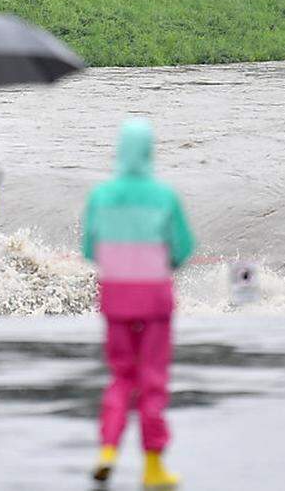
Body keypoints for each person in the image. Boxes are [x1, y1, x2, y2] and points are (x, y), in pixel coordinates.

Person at [82, 119, 195, 489]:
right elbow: (182, 248)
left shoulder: (100, 196)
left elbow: (88, 249)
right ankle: (152, 465)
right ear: (149, 151)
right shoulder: (164, 196)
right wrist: (163, 264)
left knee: (121, 377)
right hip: (154, 299)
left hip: (115, 297)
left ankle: (108, 450)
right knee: (152, 380)